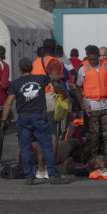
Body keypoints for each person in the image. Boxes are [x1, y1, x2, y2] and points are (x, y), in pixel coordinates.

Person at [1, 57, 69, 185]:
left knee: (25, 147)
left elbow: (8, 103)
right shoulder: (41, 79)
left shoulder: (15, 84)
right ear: (32, 68)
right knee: (47, 146)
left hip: (23, 118)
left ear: (19, 69)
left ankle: (29, 177)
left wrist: (4, 121)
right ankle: (53, 175)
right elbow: (54, 79)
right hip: (39, 117)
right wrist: (64, 90)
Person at [31, 39, 69, 179]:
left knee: (41, 136)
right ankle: (51, 169)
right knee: (53, 135)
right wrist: (65, 96)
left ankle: (41, 169)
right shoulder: (54, 62)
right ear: (54, 49)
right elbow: (55, 82)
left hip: (35, 100)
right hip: (50, 99)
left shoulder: (35, 62)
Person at [75, 45, 107, 160]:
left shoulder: (106, 66)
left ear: (98, 57)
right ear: (87, 57)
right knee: (93, 136)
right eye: (90, 59)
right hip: (91, 107)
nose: (92, 61)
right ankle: (93, 160)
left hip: (105, 105)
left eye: (95, 59)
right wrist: (82, 105)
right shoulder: (82, 69)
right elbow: (77, 88)